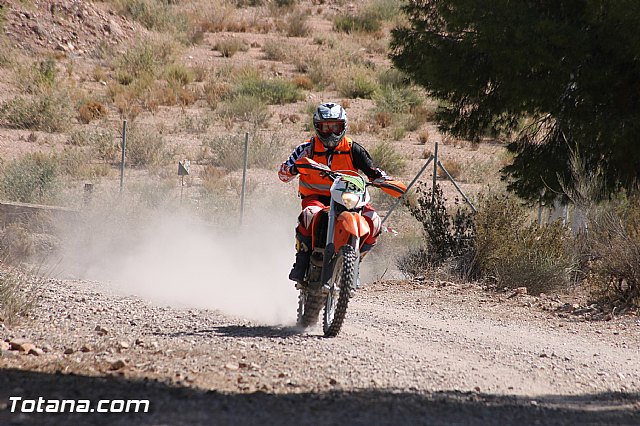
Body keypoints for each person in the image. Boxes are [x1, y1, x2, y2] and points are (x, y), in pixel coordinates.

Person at [278, 102, 391, 283]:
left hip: (349, 199)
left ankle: (354, 261)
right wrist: (294, 168)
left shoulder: (353, 149)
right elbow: (283, 174)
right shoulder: (307, 148)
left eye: (335, 127)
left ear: (343, 126)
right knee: (309, 215)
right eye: (325, 127)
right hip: (316, 199)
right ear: (317, 127)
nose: (331, 133)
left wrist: (384, 180)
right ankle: (301, 261)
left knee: (375, 222)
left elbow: (373, 170)